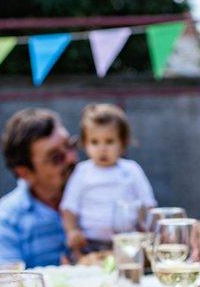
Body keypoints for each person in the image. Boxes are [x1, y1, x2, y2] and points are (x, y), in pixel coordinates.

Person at [61, 103, 156, 257]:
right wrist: (72, 231)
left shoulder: (132, 170)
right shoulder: (82, 172)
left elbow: (148, 205)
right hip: (89, 244)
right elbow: (69, 208)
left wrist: (148, 230)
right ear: (85, 144)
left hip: (128, 242)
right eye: (94, 142)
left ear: (123, 143)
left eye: (110, 141)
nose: (102, 149)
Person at [0, 108, 78, 268]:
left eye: (70, 145)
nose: (71, 158)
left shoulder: (101, 192)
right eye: (56, 157)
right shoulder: (10, 215)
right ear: (25, 173)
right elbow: (5, 283)